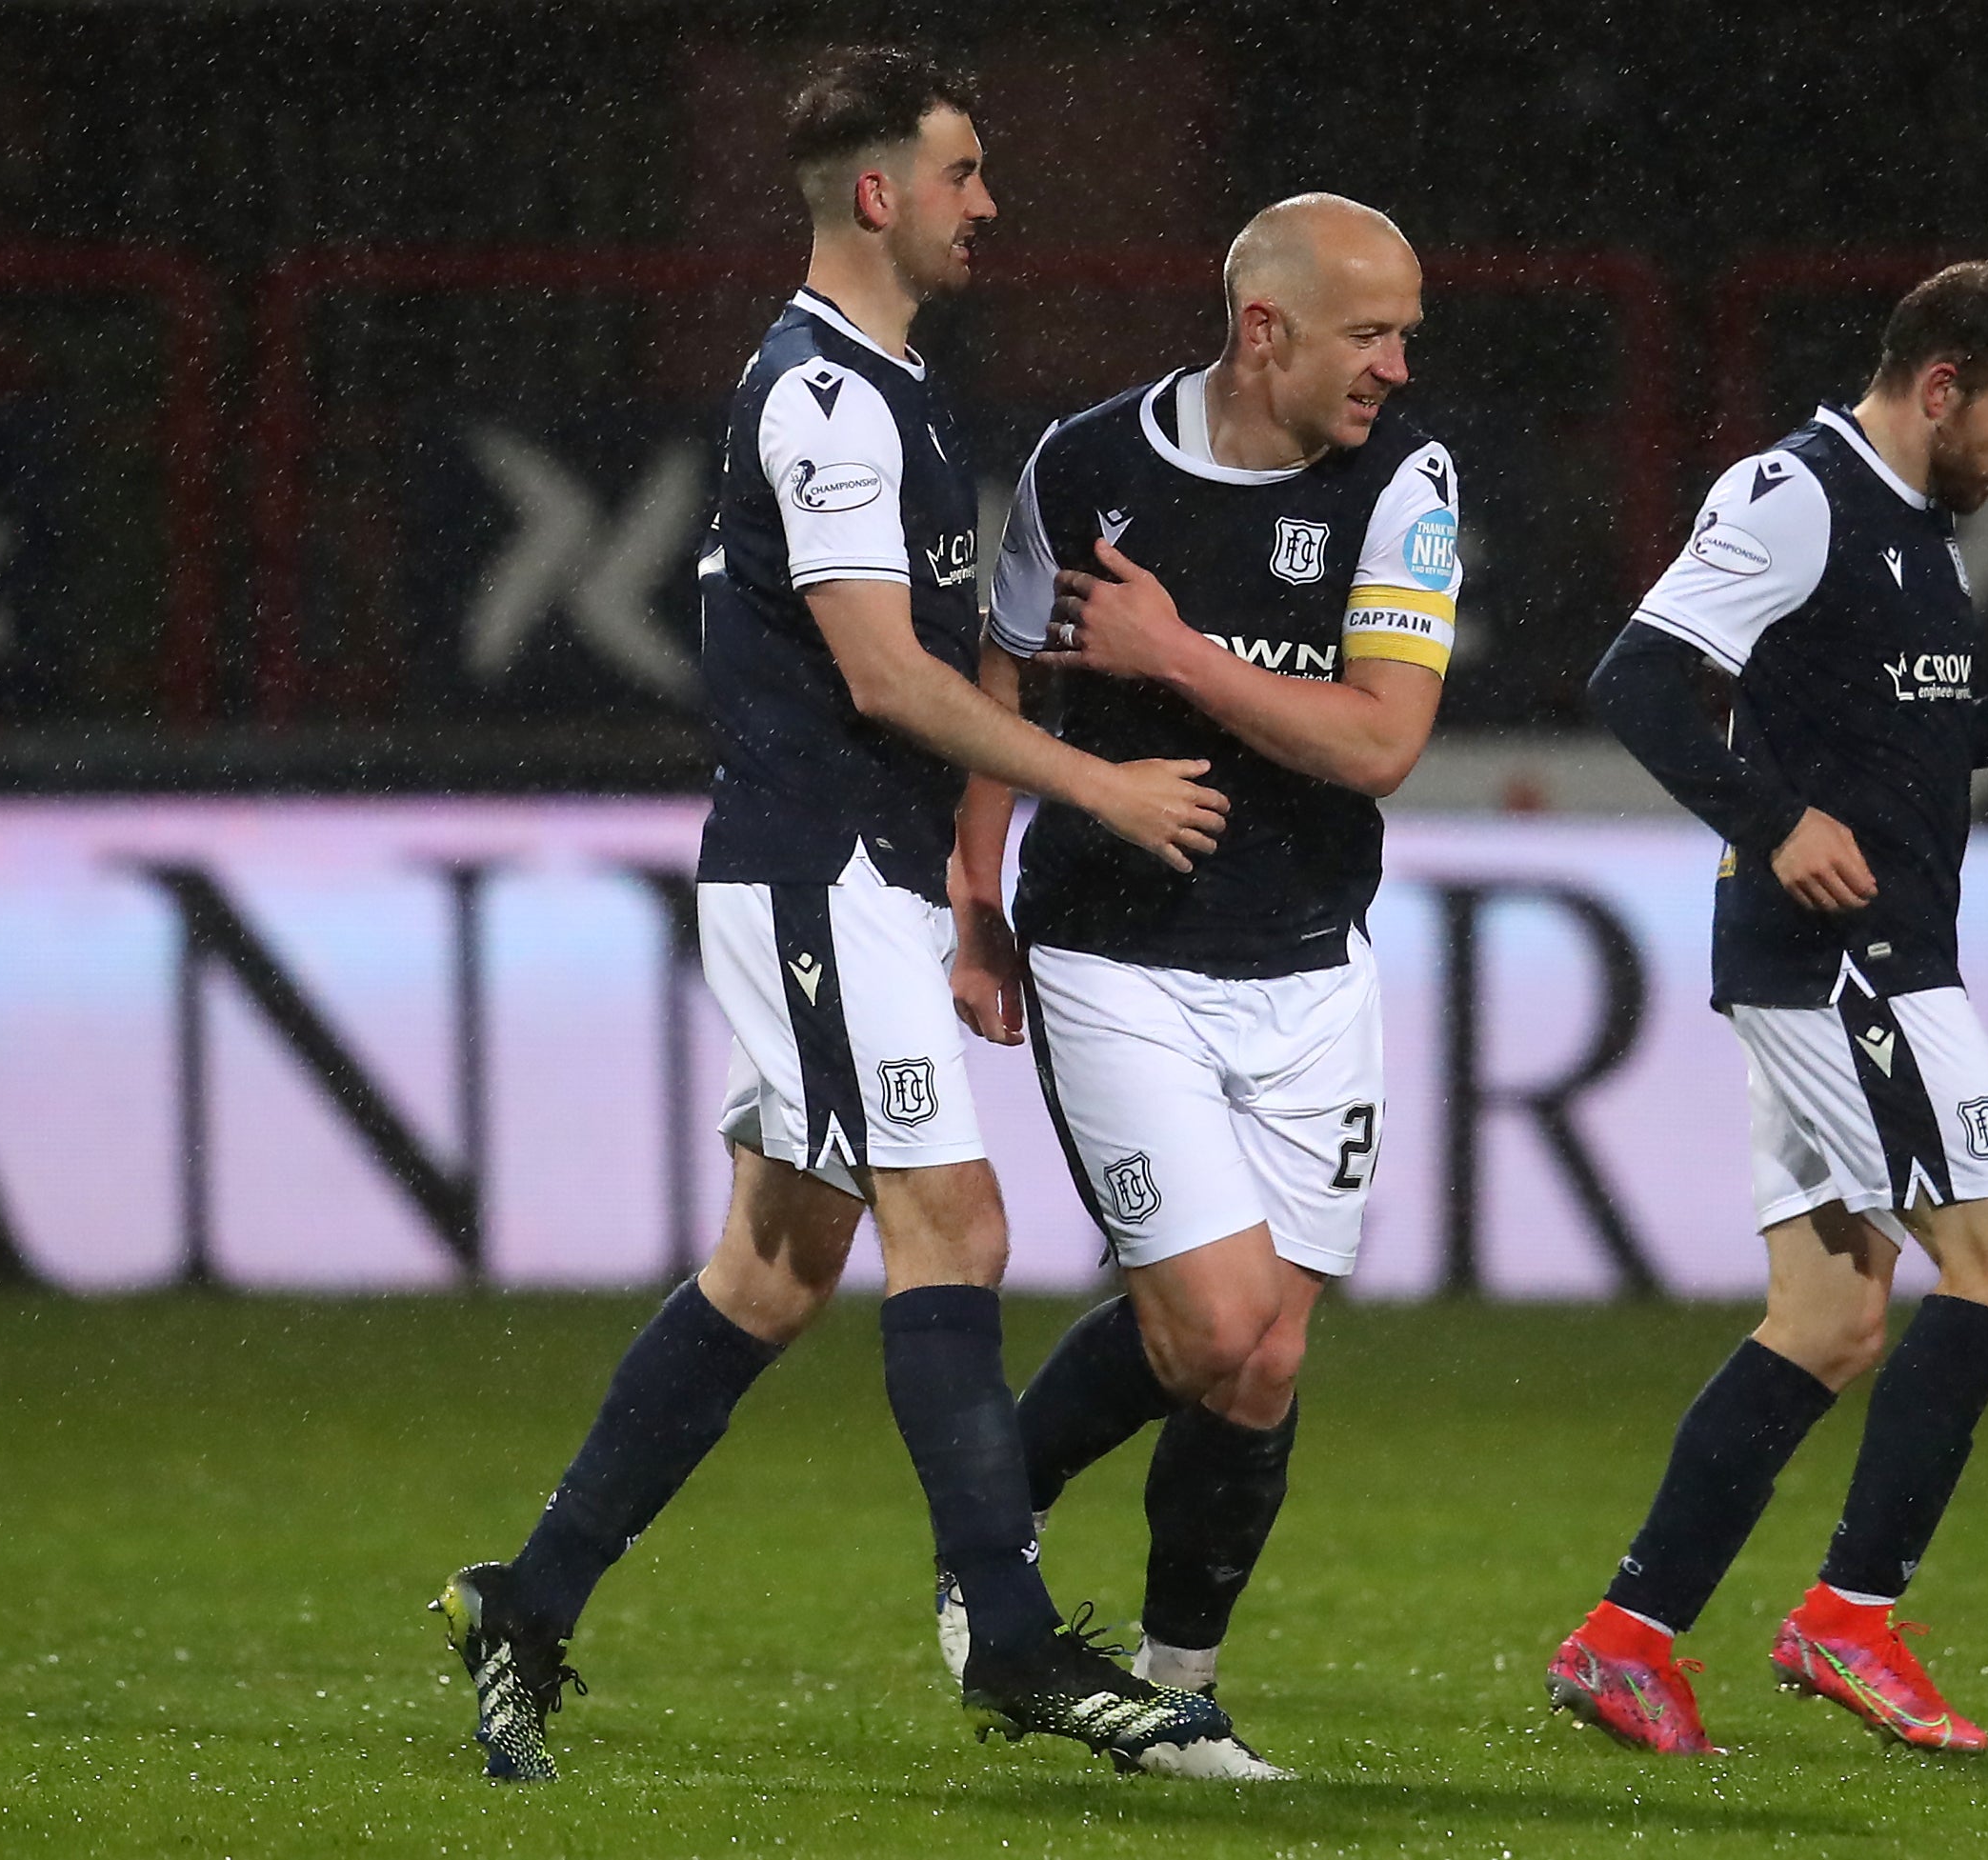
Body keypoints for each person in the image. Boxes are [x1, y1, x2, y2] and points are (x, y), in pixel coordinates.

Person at [428, 45, 1237, 1783]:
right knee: (957, 1226)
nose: (988, 202)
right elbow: (885, 676)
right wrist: (1088, 790)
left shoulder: (900, 389)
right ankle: (1010, 1644)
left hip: (860, 876)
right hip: (811, 876)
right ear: (878, 192)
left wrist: (966, 887)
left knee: (775, 1269)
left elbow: (910, 669)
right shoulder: (822, 399)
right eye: (962, 171)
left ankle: (530, 1595)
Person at [1547, 261, 1988, 1756]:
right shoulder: (1794, 494)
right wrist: (1767, 819)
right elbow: (1632, 677)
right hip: (1848, 962)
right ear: (1938, 384)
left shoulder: (1912, 529)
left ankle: (1623, 1639)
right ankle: (1850, 1616)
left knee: (1825, 1319)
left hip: (1859, 956)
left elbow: (1887, 733)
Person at [931, 193, 1461, 1779]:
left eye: (1407, 335)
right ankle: (991, 1548)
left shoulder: (1403, 480)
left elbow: (1382, 741)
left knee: (1255, 1356)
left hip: (1307, 960)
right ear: (1262, 329)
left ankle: (1174, 1682)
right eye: (1372, 334)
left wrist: (1180, 659)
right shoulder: (1085, 463)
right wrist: (974, 896)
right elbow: (1005, 674)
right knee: (1220, 1314)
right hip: (1113, 954)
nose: (1396, 368)